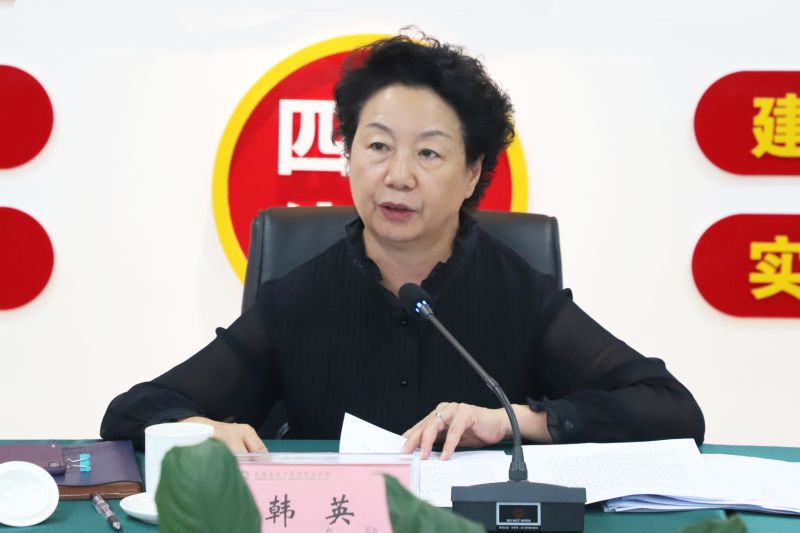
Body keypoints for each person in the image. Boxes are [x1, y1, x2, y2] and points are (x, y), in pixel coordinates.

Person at [100, 33, 704, 459]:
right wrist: (198, 429)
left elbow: (673, 410)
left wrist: (513, 421)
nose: (397, 176)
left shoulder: (517, 291)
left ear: (472, 173)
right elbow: (132, 412)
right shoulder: (299, 298)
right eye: (378, 146)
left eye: (429, 153)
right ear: (348, 155)